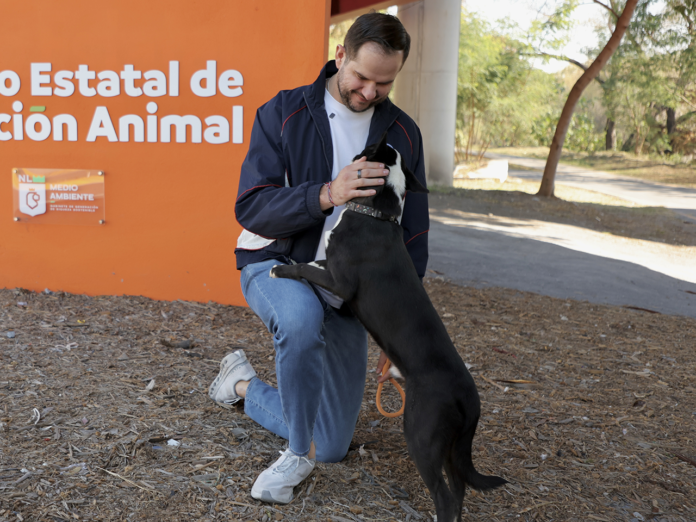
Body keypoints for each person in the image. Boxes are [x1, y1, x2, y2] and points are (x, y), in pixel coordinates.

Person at [208, 12, 429, 504]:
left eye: (384, 83)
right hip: (275, 260)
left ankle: (241, 384)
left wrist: (400, 326)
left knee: (329, 445)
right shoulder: (282, 112)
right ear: (340, 56)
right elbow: (252, 206)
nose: (370, 92)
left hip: (345, 288)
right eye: (361, 77)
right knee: (300, 320)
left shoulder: (405, 133)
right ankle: (293, 456)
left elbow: (413, 236)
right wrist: (327, 193)